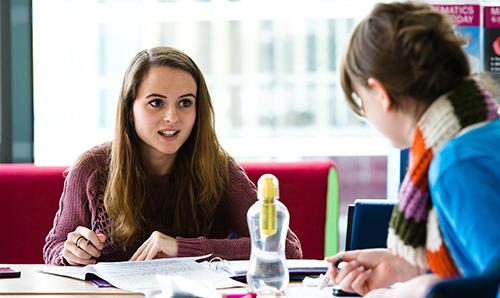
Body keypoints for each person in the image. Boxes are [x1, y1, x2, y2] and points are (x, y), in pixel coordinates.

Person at [43, 46, 302, 266]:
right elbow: (54, 248)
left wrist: (182, 248)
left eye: (185, 103)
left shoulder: (218, 169)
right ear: (130, 109)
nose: (172, 117)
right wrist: (72, 252)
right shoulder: (92, 169)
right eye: (156, 102)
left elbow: (287, 248)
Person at [326, 2, 500, 297]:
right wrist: (406, 268)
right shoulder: (483, 134)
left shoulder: (456, 164)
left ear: (380, 94)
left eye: (360, 99)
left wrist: (421, 289)